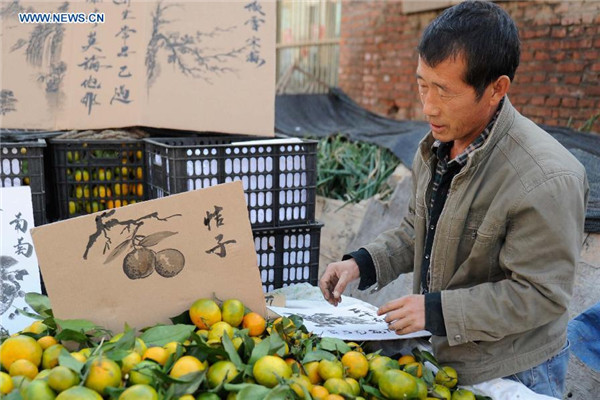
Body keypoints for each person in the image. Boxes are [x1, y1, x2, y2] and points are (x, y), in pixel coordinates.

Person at [318, 1, 589, 398]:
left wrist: (435, 311)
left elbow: (540, 295)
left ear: (496, 89)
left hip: (516, 370)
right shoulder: (437, 146)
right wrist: (361, 263)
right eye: (423, 85)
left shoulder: (547, 178)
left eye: (444, 91)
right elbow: (418, 228)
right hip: (449, 355)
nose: (427, 106)